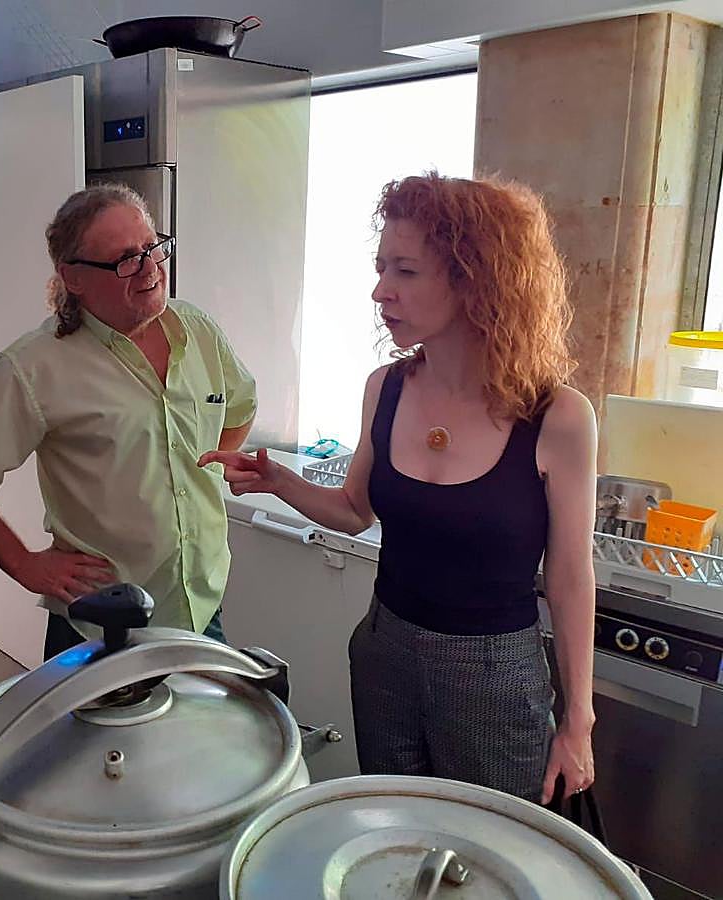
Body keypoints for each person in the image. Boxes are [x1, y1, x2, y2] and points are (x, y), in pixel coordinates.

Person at [201, 172, 596, 805]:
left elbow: (571, 577)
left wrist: (578, 720)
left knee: (483, 843)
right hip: (384, 652)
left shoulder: (557, 416)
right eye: (381, 267)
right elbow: (354, 510)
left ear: (476, 280)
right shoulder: (385, 387)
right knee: (394, 826)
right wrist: (278, 481)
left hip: (494, 676)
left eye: (406, 271)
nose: (381, 290)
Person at [0, 184, 257, 658]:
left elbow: (239, 407)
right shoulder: (35, 365)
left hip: (200, 608)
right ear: (73, 277)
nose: (150, 268)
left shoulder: (196, 330)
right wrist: (25, 566)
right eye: (126, 260)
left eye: (151, 248)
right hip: (98, 626)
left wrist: (200, 477)